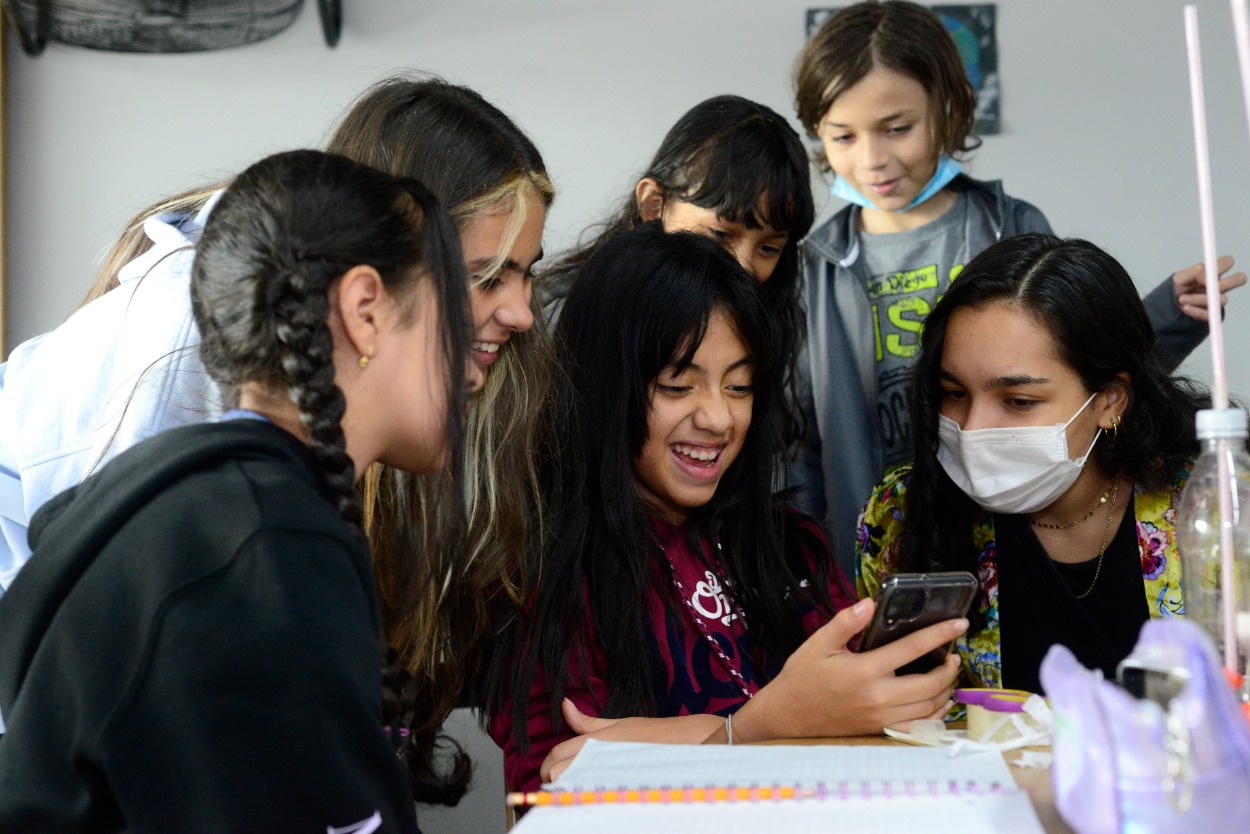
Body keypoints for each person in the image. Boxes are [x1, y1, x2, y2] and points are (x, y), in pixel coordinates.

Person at [0, 150, 481, 832]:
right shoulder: (264, 554)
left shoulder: (204, 505)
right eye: (454, 317)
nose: (473, 370)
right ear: (365, 310)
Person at [486, 224, 966, 794]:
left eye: (738, 387)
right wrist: (759, 727)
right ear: (602, 384)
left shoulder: (792, 547)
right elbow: (554, 786)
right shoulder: (542, 570)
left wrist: (689, 739)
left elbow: (869, 726)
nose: (718, 418)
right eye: (676, 384)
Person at [792, 0, 1246, 580]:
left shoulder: (1009, 227)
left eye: (897, 128)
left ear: (949, 109)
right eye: (843, 137)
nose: (872, 159)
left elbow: (1080, 375)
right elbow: (797, 447)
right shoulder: (813, 269)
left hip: (1005, 536)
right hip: (879, 547)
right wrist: (805, 574)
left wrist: (1167, 315)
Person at [857, 233, 1219, 695]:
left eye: (1019, 400)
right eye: (954, 393)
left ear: (1109, 402)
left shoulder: (1212, 510)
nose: (972, 429)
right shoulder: (899, 516)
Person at [540, 94, 814, 444]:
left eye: (768, 248)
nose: (743, 266)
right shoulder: (566, 316)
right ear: (654, 204)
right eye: (720, 234)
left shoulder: (782, 324)